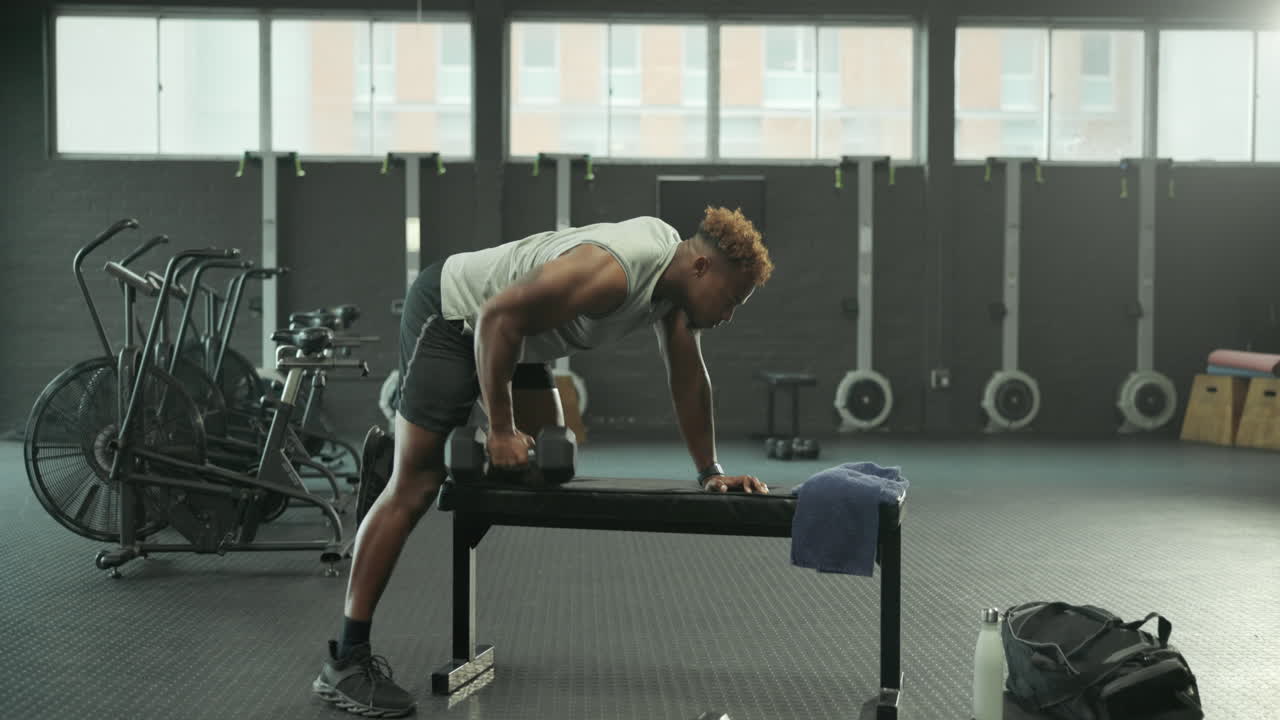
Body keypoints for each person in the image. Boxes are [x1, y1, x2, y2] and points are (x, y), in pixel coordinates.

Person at [313, 206, 775, 716]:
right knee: (417, 485)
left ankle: (436, 443)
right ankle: (345, 660)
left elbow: (688, 376)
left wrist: (710, 471)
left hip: (517, 343)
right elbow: (494, 316)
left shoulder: (675, 288)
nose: (730, 314)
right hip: (455, 317)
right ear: (703, 269)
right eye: (732, 300)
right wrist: (504, 429)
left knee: (550, 466)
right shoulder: (615, 270)